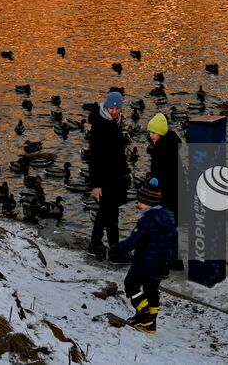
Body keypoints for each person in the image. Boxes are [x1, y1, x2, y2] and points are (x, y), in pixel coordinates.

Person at [109, 177, 178, 334]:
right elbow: (174, 239)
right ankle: (151, 322)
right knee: (151, 290)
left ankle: (144, 314)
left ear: (149, 202)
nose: (138, 204)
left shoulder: (147, 221)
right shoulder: (169, 216)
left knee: (131, 285)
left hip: (144, 262)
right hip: (160, 264)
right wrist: (170, 258)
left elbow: (133, 241)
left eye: (141, 201)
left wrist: (115, 249)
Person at [87, 90, 130, 259]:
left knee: (109, 213)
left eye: (117, 108)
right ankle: (110, 250)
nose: (114, 111)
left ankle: (105, 246)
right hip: (106, 178)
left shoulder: (113, 122)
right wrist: (96, 184)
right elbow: (95, 157)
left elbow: (117, 152)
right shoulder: (101, 126)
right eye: (111, 108)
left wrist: (125, 172)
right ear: (106, 107)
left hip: (114, 176)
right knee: (108, 213)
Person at [146, 112, 182, 270]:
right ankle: (174, 260)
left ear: (161, 132)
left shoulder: (161, 150)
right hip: (174, 196)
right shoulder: (172, 146)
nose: (150, 135)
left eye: (153, 132)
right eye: (150, 132)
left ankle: (163, 263)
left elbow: (160, 175)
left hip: (165, 196)